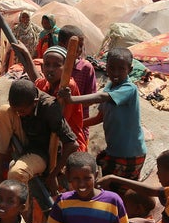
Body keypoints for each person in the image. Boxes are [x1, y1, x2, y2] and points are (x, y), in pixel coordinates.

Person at [61, 47, 146, 180]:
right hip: (114, 151)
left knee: (117, 189)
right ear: (106, 67)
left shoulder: (129, 88)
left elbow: (101, 98)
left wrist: (71, 100)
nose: (116, 72)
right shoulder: (110, 87)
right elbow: (99, 118)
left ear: (130, 69)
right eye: (112, 68)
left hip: (130, 153)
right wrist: (74, 126)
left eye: (121, 69)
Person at [0, 79, 78, 193]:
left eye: (22, 111)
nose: (18, 114)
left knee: (17, 173)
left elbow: (73, 144)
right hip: (26, 140)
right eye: (16, 111)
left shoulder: (49, 107)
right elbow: (12, 115)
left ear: (35, 102)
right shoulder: (21, 104)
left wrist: (53, 175)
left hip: (42, 153)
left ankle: (21, 209)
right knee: (4, 111)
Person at [13, 43, 87, 154]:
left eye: (56, 65)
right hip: (47, 138)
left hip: (67, 143)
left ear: (66, 68)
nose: (51, 69)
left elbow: (59, 122)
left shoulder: (67, 86)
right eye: (47, 65)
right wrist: (27, 54)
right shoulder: (45, 83)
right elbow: (36, 79)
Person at [58, 24, 97, 145]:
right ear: (62, 45)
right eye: (75, 46)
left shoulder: (86, 68)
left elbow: (91, 98)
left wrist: (71, 102)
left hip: (78, 122)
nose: (79, 50)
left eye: (81, 46)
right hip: (57, 121)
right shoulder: (56, 67)